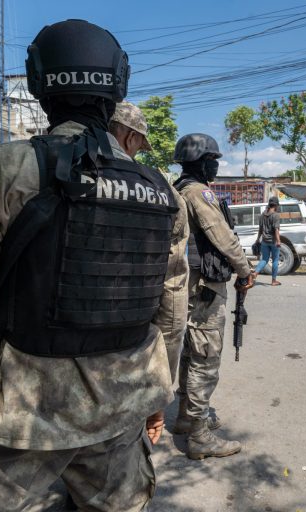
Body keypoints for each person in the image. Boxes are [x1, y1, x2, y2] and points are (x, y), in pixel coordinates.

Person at [0, 20, 189, 512]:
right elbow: (171, 317)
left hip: (16, 421)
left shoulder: (0, 171)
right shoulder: (163, 193)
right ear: (117, 85)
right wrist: (155, 400)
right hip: (121, 420)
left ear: (38, 84)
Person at [172, 133, 255, 460]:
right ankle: (199, 435)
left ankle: (184, 419)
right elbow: (223, 237)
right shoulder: (199, 192)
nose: (217, 167)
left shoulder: (178, 188)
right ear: (203, 162)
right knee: (205, 358)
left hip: (189, 286)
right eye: (214, 161)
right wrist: (246, 270)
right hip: (204, 288)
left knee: (192, 354)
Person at [109, 100, 189, 382]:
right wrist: (161, 385)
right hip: (124, 352)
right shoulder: (160, 189)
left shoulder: (35, 166)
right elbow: (172, 301)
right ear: (131, 138)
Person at [252, 196, 282, 286]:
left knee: (264, 259)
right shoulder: (275, 215)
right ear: (276, 205)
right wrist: (278, 241)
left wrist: (258, 239)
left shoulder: (262, 215)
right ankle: (273, 281)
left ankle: (255, 273)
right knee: (275, 260)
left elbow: (260, 229)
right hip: (273, 242)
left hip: (264, 241)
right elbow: (276, 229)